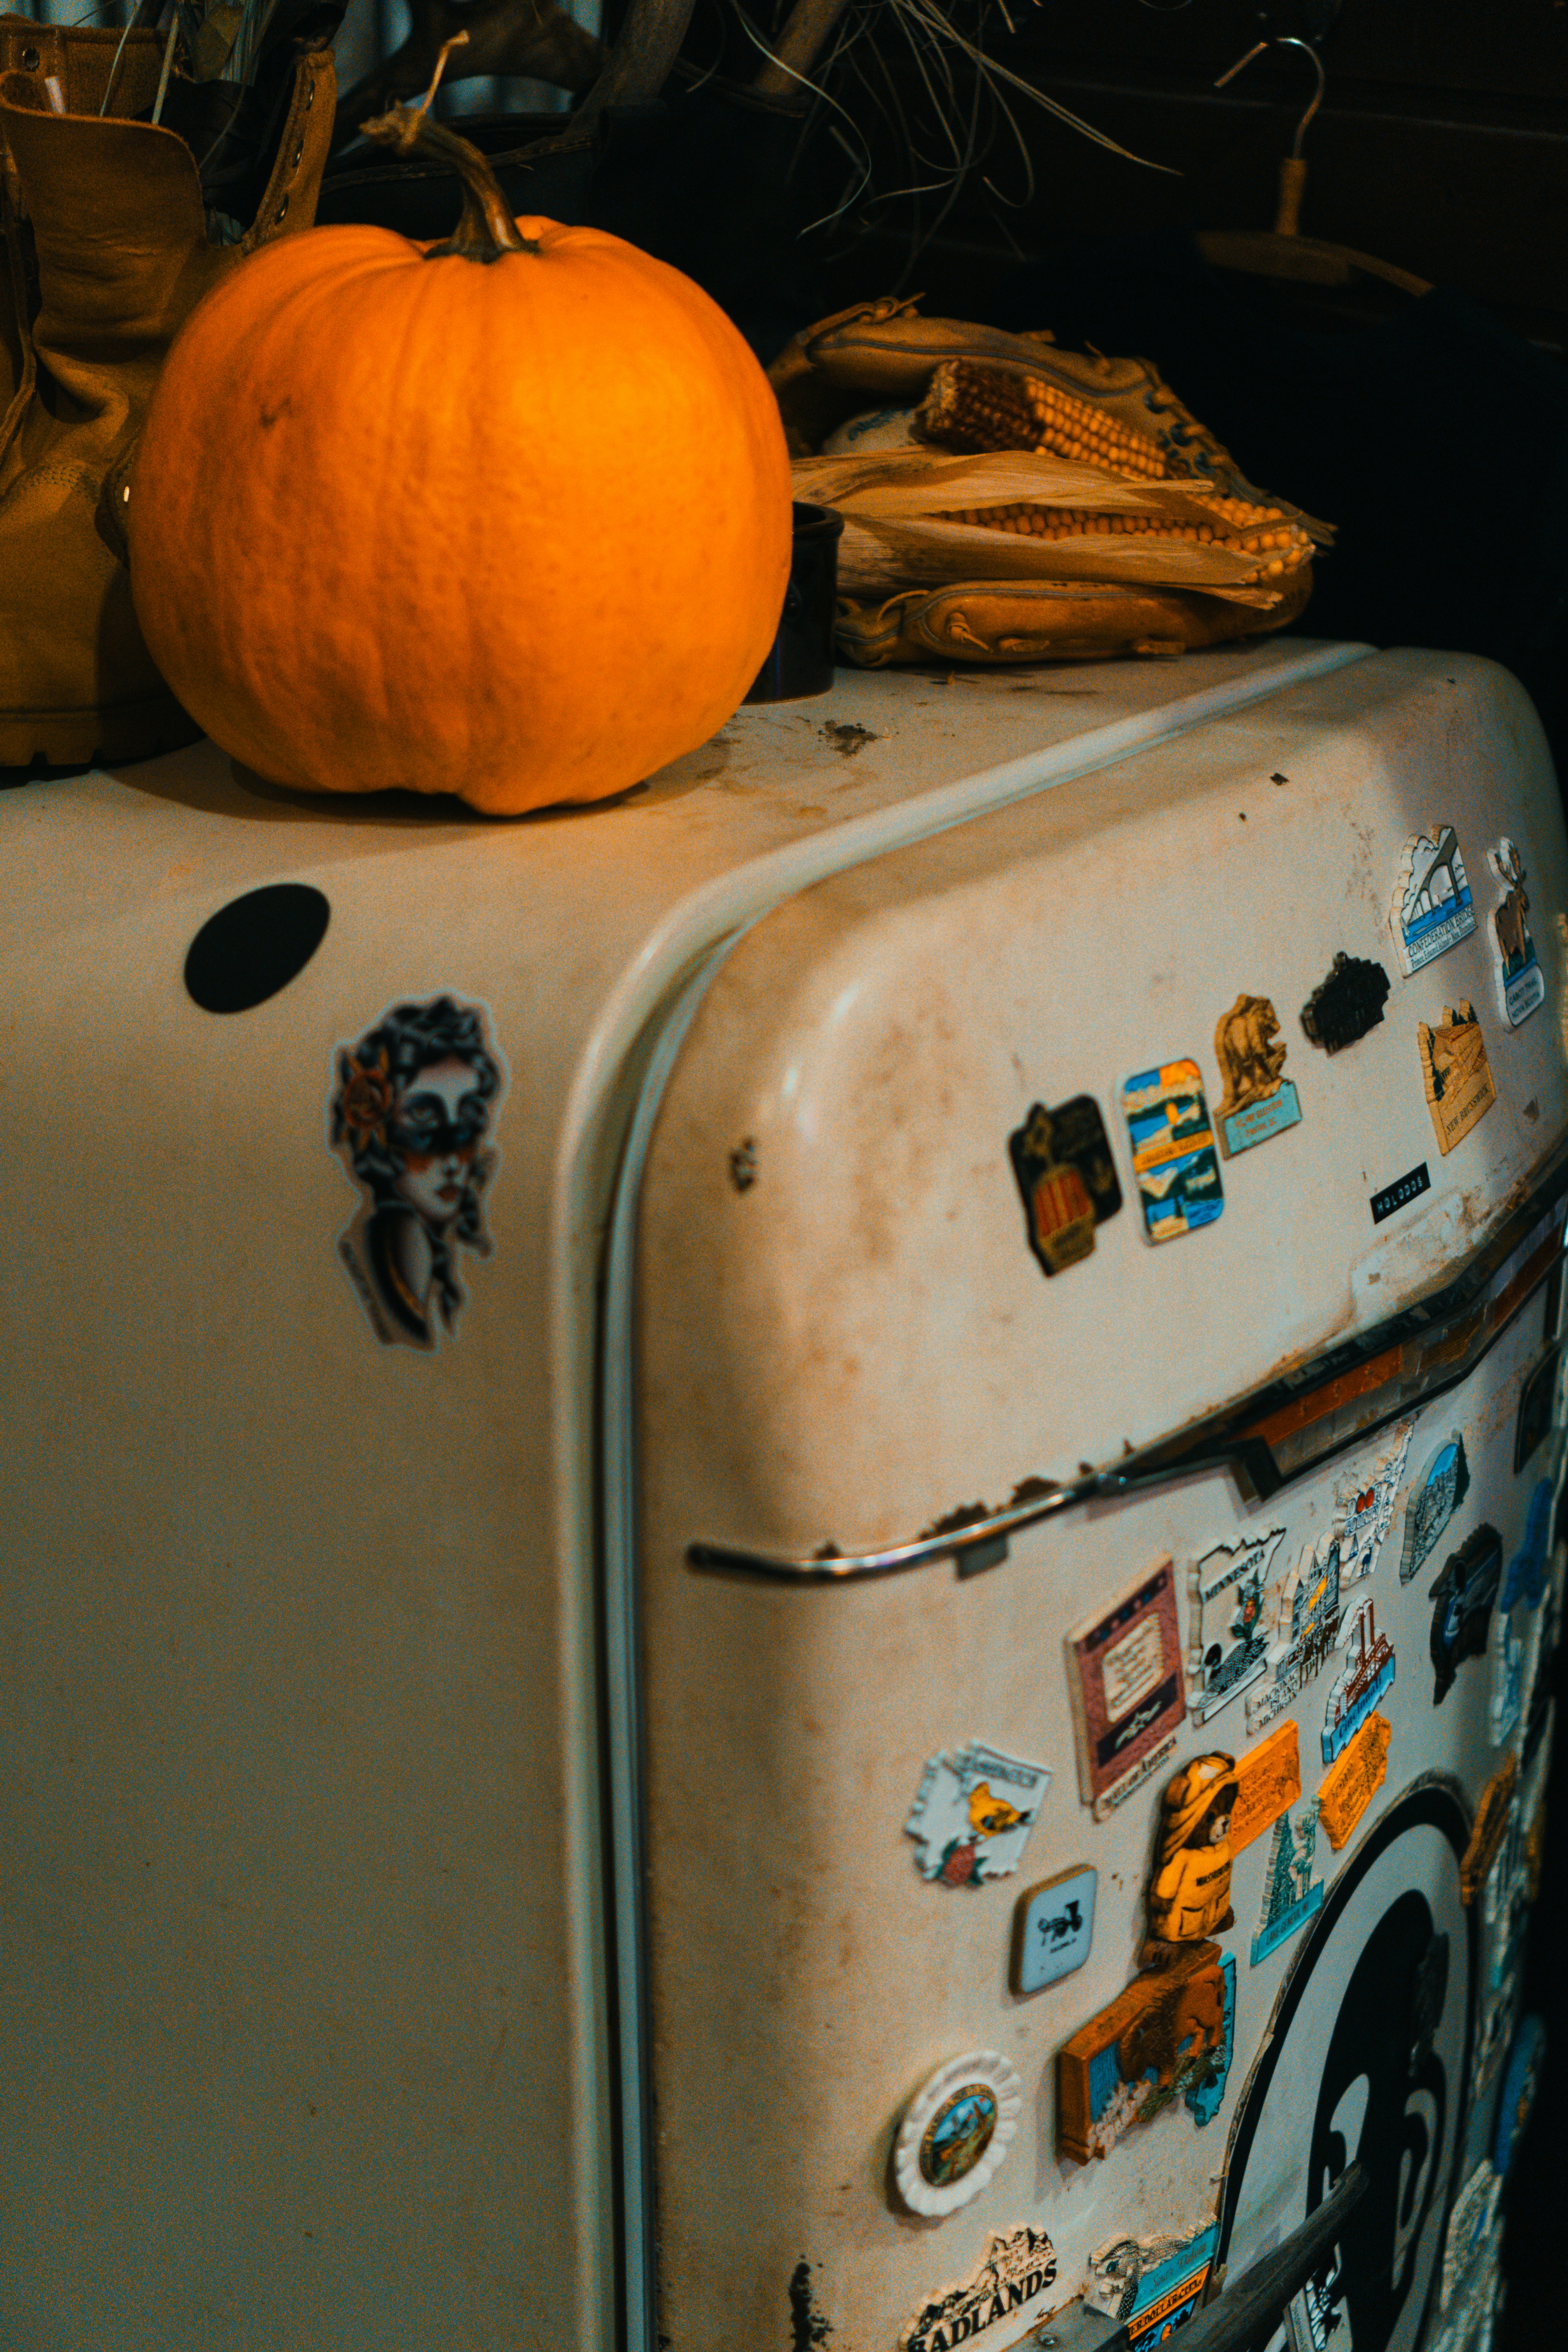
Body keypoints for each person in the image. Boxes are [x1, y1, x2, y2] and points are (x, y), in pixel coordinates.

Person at [331, 995, 505, 1350]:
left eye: (469, 1118)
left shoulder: (430, 1255)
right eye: (424, 1119)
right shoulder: (406, 1244)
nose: (453, 1160)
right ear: (377, 1130)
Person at [1143, 1753, 1239, 1966]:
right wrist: (1162, 1899)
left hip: (1215, 1906)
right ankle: (1167, 1943)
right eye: (1211, 1818)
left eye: (1225, 1810)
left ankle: (1217, 1919)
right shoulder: (1183, 1857)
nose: (1224, 1820)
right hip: (1184, 1920)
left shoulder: (1224, 1844)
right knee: (1173, 1927)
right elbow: (1163, 1891)